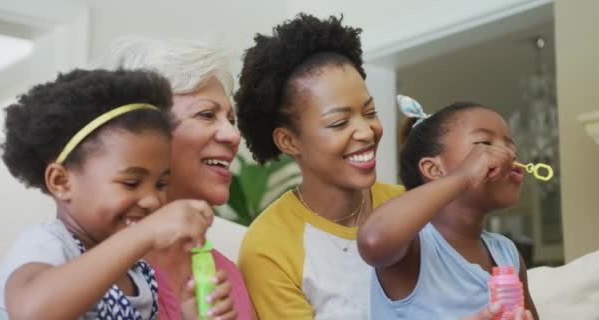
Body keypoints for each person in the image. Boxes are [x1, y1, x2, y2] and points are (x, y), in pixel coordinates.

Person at [0, 69, 217, 319]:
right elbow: (31, 312)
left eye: (161, 184)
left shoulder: (138, 274)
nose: (152, 200)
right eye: (131, 183)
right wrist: (147, 231)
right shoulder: (48, 244)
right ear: (61, 182)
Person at [234, 13, 405, 319]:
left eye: (370, 112)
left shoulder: (408, 207)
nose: (366, 132)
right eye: (339, 122)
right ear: (289, 141)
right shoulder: (269, 248)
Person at [102, 37, 252, 320]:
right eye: (207, 115)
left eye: (230, 120)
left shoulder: (227, 276)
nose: (233, 136)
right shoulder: (85, 269)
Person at [357, 96, 538, 320]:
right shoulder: (415, 245)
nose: (508, 155)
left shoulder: (506, 253)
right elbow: (373, 239)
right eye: (485, 145)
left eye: (513, 150)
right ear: (434, 169)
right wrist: (464, 176)